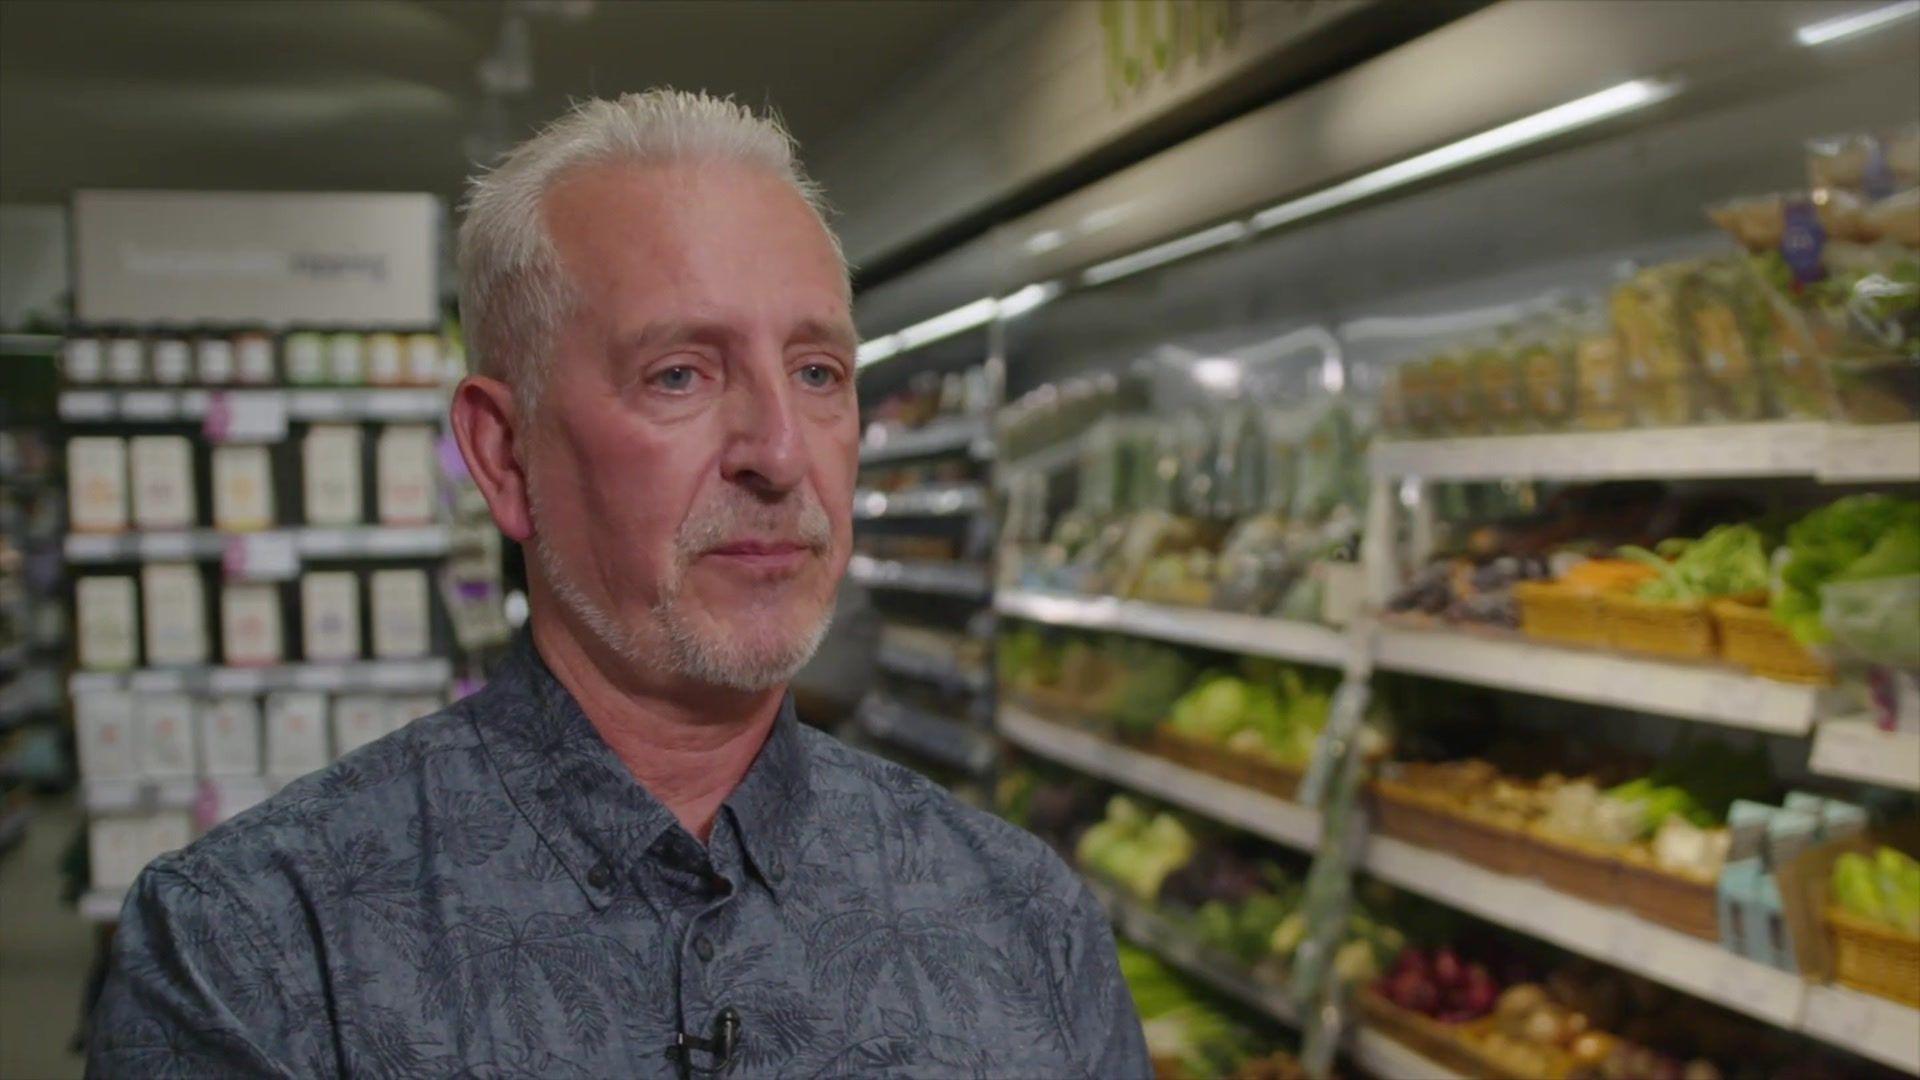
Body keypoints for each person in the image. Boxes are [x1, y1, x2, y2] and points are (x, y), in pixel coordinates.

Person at [88, 90, 1150, 1079]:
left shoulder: (1028, 923)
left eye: (818, 373)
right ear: (504, 457)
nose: (780, 454)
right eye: (679, 373)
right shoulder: (254, 957)